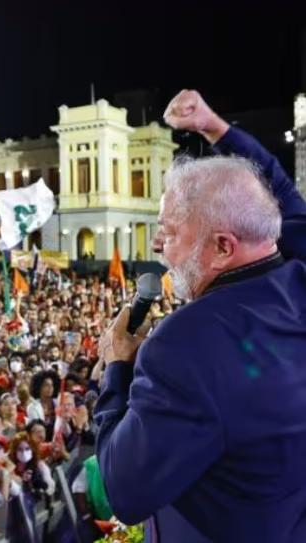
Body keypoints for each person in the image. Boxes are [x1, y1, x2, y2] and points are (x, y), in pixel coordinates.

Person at [94, 89, 306, 542]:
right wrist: (213, 126)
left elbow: (123, 490)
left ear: (223, 247)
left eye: (169, 232)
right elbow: (278, 189)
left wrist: (117, 367)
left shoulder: (185, 347)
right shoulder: (297, 271)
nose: (157, 246)